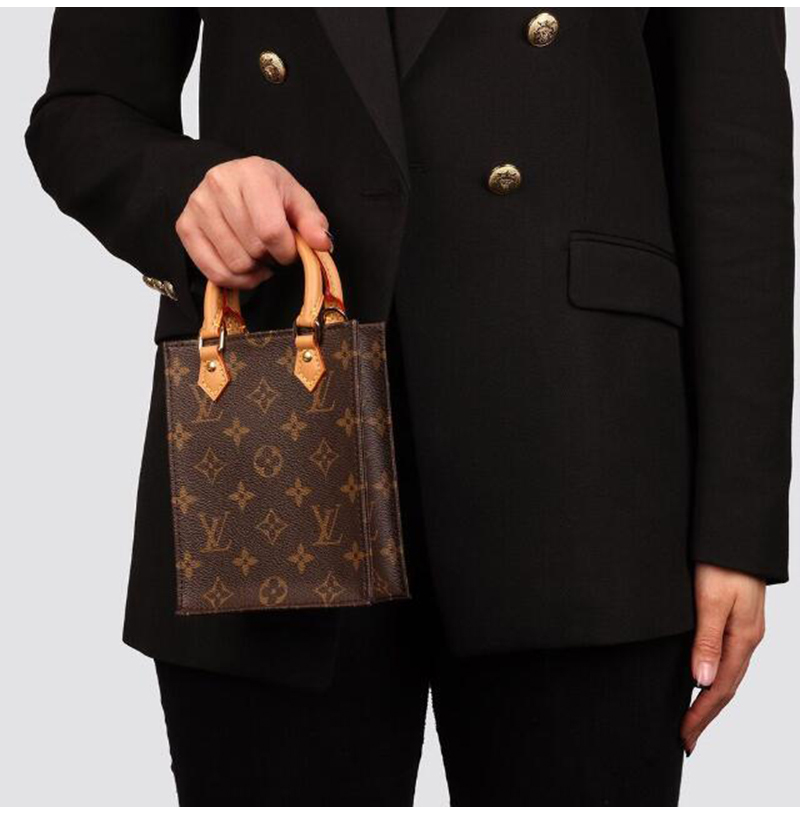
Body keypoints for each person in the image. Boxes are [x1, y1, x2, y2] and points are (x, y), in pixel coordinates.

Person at [26, 9, 792, 806]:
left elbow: (735, 151)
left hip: (586, 452)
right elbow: (84, 110)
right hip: (269, 452)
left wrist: (736, 526)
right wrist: (188, 189)